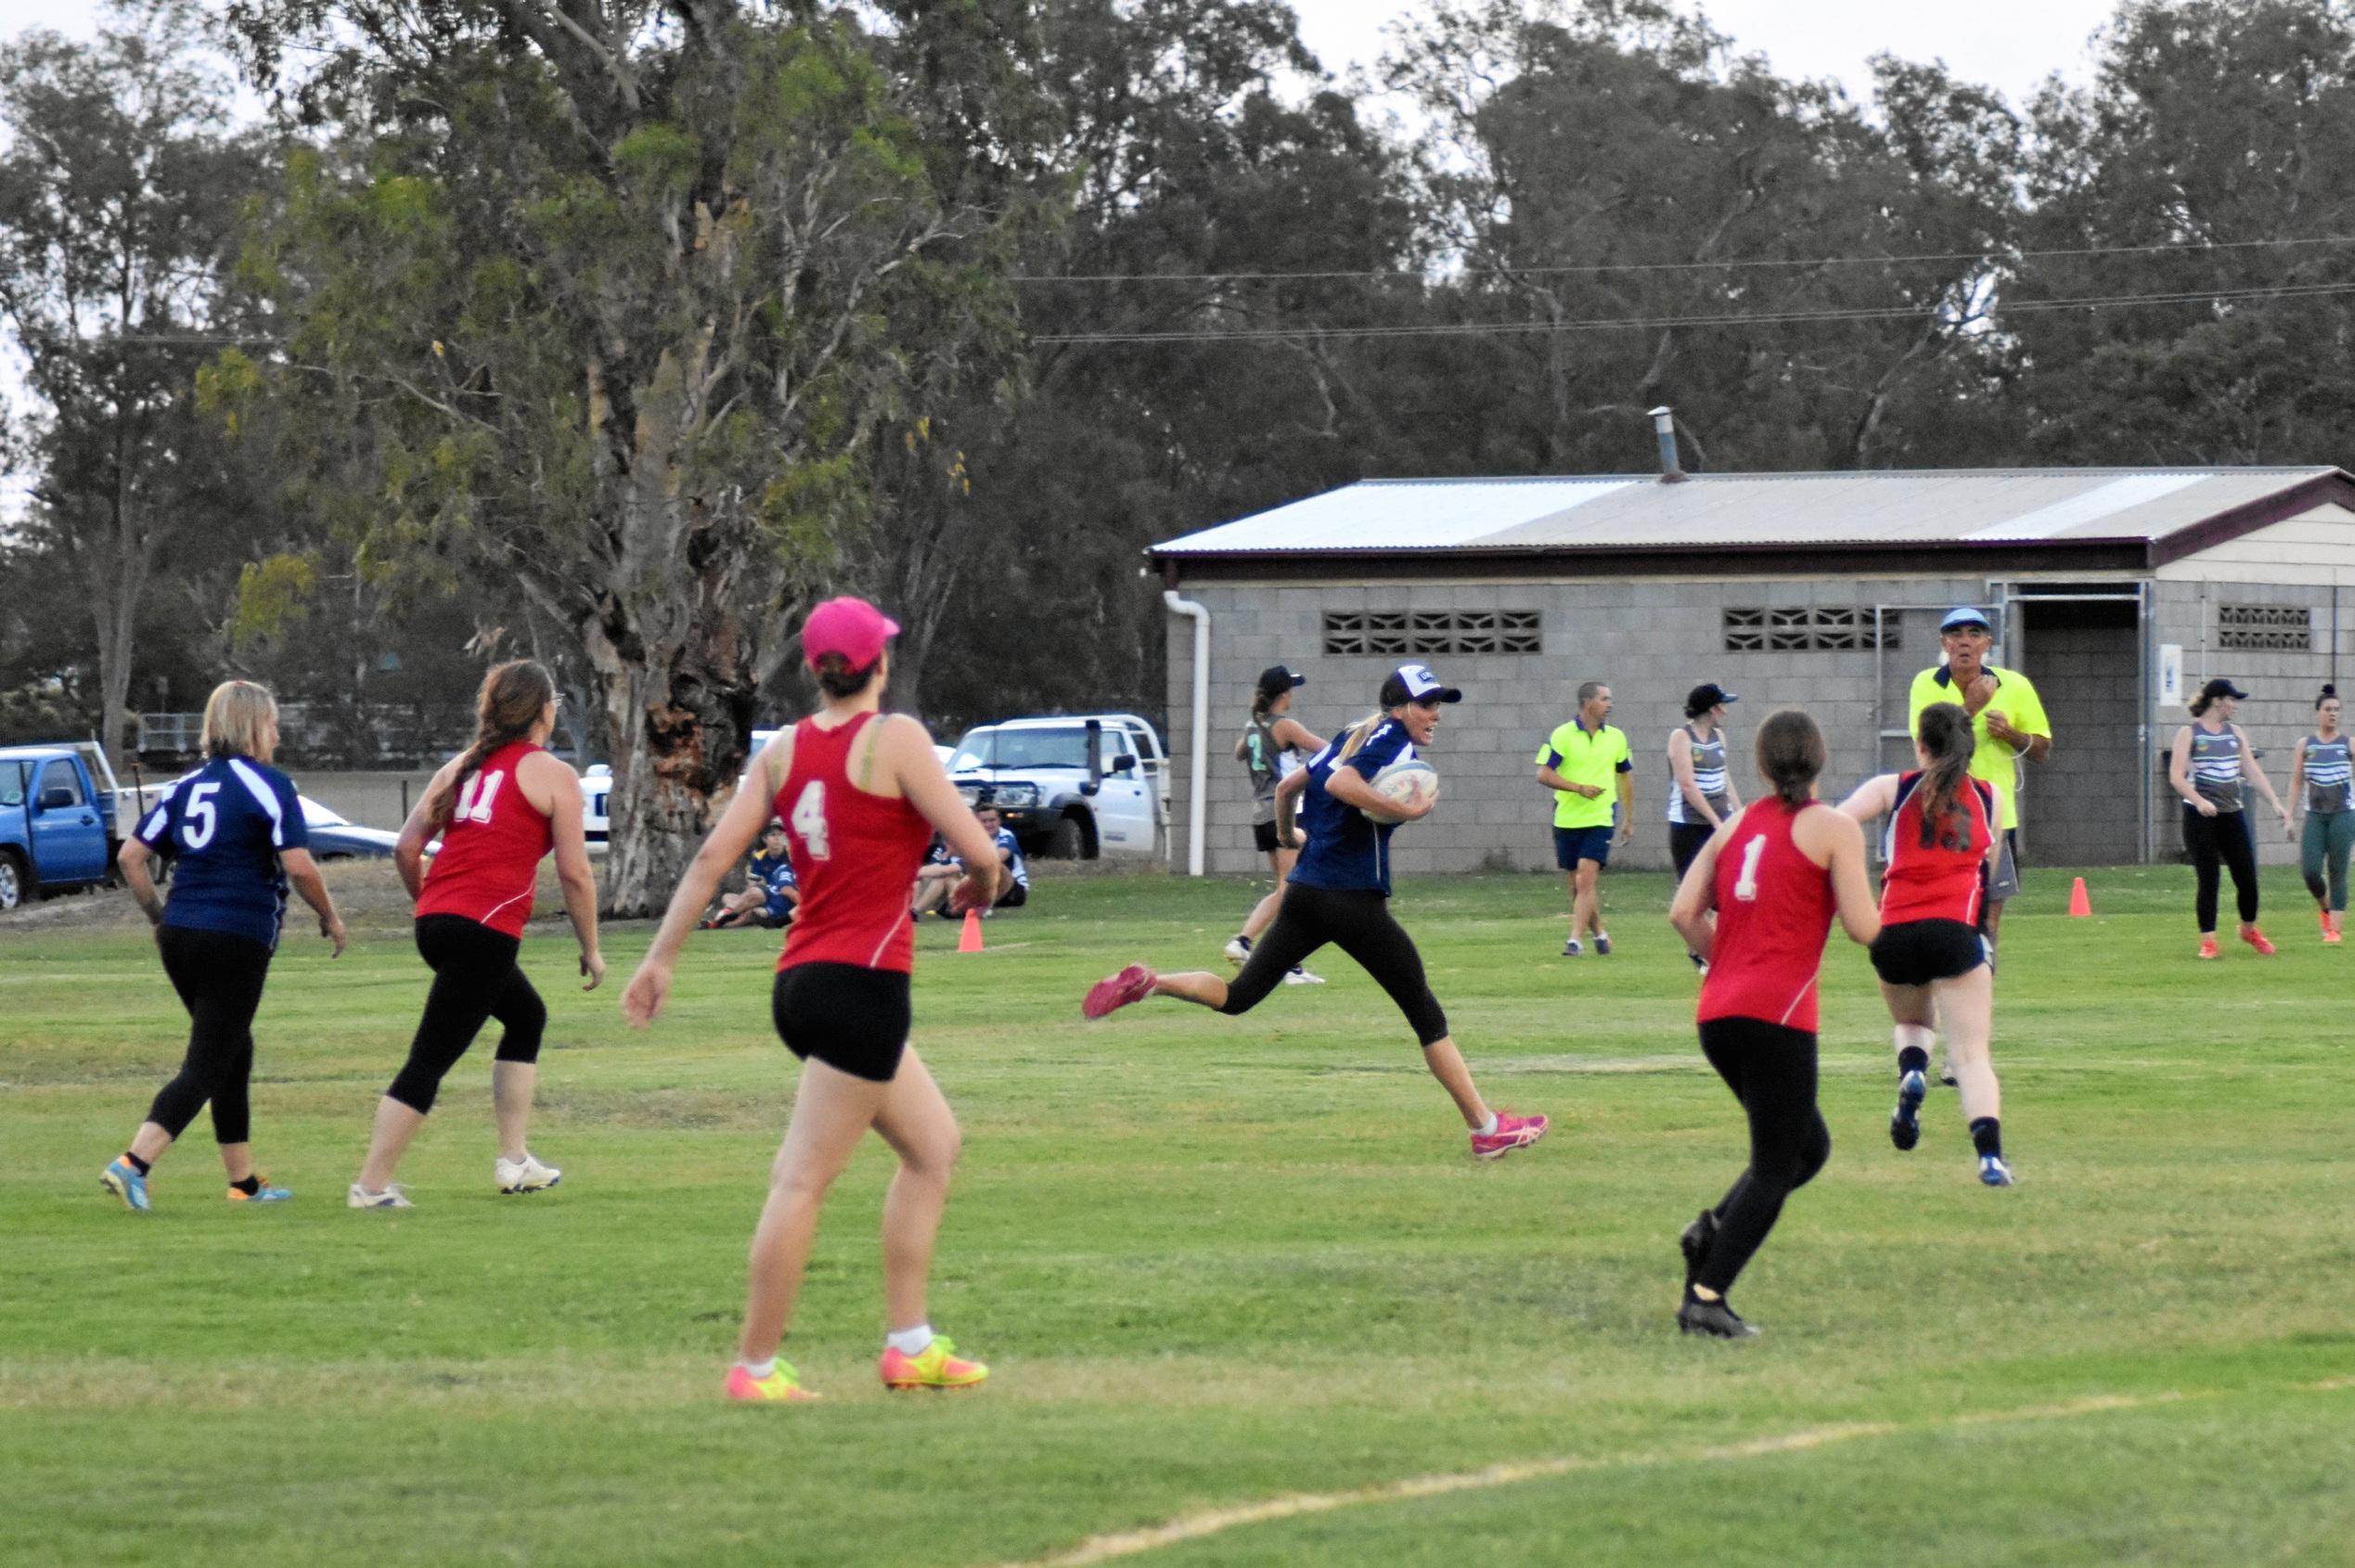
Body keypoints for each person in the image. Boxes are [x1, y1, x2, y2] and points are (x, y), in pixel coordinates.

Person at [623, 596, 1006, 1404]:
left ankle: (910, 1344)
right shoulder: (894, 738)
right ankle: (755, 1370)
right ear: (881, 664)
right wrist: (980, 882)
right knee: (799, 1181)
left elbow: (709, 863)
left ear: (814, 670)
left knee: (933, 1146)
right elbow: (979, 851)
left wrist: (660, 960)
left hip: (801, 981)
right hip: (862, 984)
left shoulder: (786, 751)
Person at [1081, 663, 1549, 1161]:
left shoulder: (1352, 734)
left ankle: (1153, 982)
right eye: (1427, 705)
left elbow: (1288, 790)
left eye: (1439, 704)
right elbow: (1340, 784)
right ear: (1399, 708)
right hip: (1351, 900)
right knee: (1426, 1014)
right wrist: (1404, 811)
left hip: (1305, 892)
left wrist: (1288, 838)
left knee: (1239, 996)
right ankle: (1486, 1129)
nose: (1436, 714)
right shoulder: (1391, 741)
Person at [350, 660, 604, 1209]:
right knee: (430, 1058)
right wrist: (591, 948)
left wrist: (433, 907)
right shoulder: (553, 773)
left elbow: (404, 848)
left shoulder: (462, 767)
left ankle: (515, 1161)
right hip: (483, 929)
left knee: (526, 1016)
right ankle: (370, 1186)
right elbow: (575, 873)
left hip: (438, 922)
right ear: (543, 710)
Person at [1667, 709, 1877, 1337]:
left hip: (1718, 1014)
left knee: (1806, 1148)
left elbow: (1682, 911)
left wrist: (1724, 958)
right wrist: (1926, 920)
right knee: (1776, 1164)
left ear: (1760, 765)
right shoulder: (1835, 828)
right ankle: (1706, 1294)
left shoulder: (1734, 828)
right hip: (1778, 1013)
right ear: (1820, 759)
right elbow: (1865, 928)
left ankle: (1710, 1230)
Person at [101, 680, 348, 1212]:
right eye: (273, 723)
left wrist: (157, 917)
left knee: (233, 1050)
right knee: (209, 1062)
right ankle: (133, 1163)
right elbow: (299, 864)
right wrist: (329, 915)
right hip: (235, 934)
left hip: (180, 933)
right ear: (252, 725)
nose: (278, 734)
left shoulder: (184, 787)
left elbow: (131, 857)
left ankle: (244, 1184)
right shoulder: (270, 785)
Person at [1839, 703, 2014, 1188]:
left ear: (1920, 745)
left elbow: (1835, 825)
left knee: (1913, 1023)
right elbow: (1989, 872)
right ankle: (1990, 1159)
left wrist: (1848, 878)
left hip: (1892, 930)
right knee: (1971, 1055)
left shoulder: (1891, 788)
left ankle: (1912, 1073)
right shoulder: (1990, 797)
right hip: (1955, 929)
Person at [1906, 608, 2051, 956]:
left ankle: (1981, 989)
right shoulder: (1927, 684)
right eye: (1956, 634)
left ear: (1987, 642)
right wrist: (1970, 708)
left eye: (1974, 633)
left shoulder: (2014, 685)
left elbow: (2042, 749)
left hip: (1996, 817)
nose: (1965, 641)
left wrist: (2011, 734)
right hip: (1944, 811)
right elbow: (1928, 750)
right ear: (1944, 642)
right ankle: (1944, 983)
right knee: (1945, 913)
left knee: (1989, 918)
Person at [2168, 677, 2290, 959]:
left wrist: (2275, 802)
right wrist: (2199, 801)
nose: (2234, 706)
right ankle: (2208, 940)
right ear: (2217, 701)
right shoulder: (2190, 733)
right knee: (2209, 878)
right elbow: (2176, 776)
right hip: (2200, 817)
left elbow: (2252, 771)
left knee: (2247, 876)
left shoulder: (2234, 733)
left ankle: (2248, 929)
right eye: (2231, 700)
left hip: (2231, 814)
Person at [1225, 665, 1323, 984]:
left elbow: (1240, 752)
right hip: (1284, 811)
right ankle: (1244, 942)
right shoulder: (1285, 726)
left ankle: (1289, 963)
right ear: (1283, 695)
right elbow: (1325, 749)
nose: (1292, 695)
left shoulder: (1253, 726)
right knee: (1291, 887)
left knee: (1290, 886)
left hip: (1260, 815)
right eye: (1290, 690)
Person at [1537, 681, 1632, 956]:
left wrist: (1629, 818)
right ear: (1588, 702)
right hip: (1567, 818)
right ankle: (1600, 933)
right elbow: (1543, 774)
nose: (1609, 704)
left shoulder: (1616, 737)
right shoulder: (1563, 735)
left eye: (1609, 698)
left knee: (1586, 879)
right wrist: (1578, 788)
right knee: (1576, 885)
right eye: (1604, 699)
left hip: (1601, 817)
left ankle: (1575, 940)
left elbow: (1625, 777)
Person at [1667, 683, 1742, 970]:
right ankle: (1699, 951)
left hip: (1719, 821)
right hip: (1689, 825)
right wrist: (1713, 819)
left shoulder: (1719, 737)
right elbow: (1687, 784)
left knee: (1727, 889)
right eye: (1722, 705)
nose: (1725, 710)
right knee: (1694, 893)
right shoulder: (1681, 737)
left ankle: (1714, 952)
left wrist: (1737, 813)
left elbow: (1725, 778)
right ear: (1712, 708)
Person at [2290, 684, 2353, 945]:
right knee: (2311, 870)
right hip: (2315, 815)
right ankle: (2325, 909)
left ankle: (2334, 931)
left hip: (2343, 814)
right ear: (2318, 712)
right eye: (2328, 709)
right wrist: (2288, 814)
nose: (2333, 714)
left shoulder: (2348, 744)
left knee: (2337, 870)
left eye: (2337, 710)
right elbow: (2296, 781)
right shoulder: (2306, 745)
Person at [708, 820, 800, 930]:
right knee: (732, 896)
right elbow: (753, 883)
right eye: (773, 835)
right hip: (767, 891)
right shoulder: (760, 857)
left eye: (780, 835)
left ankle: (724, 921)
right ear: (764, 839)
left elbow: (789, 889)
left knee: (753, 909)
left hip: (778, 896)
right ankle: (726, 915)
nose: (777, 838)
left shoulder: (791, 853)